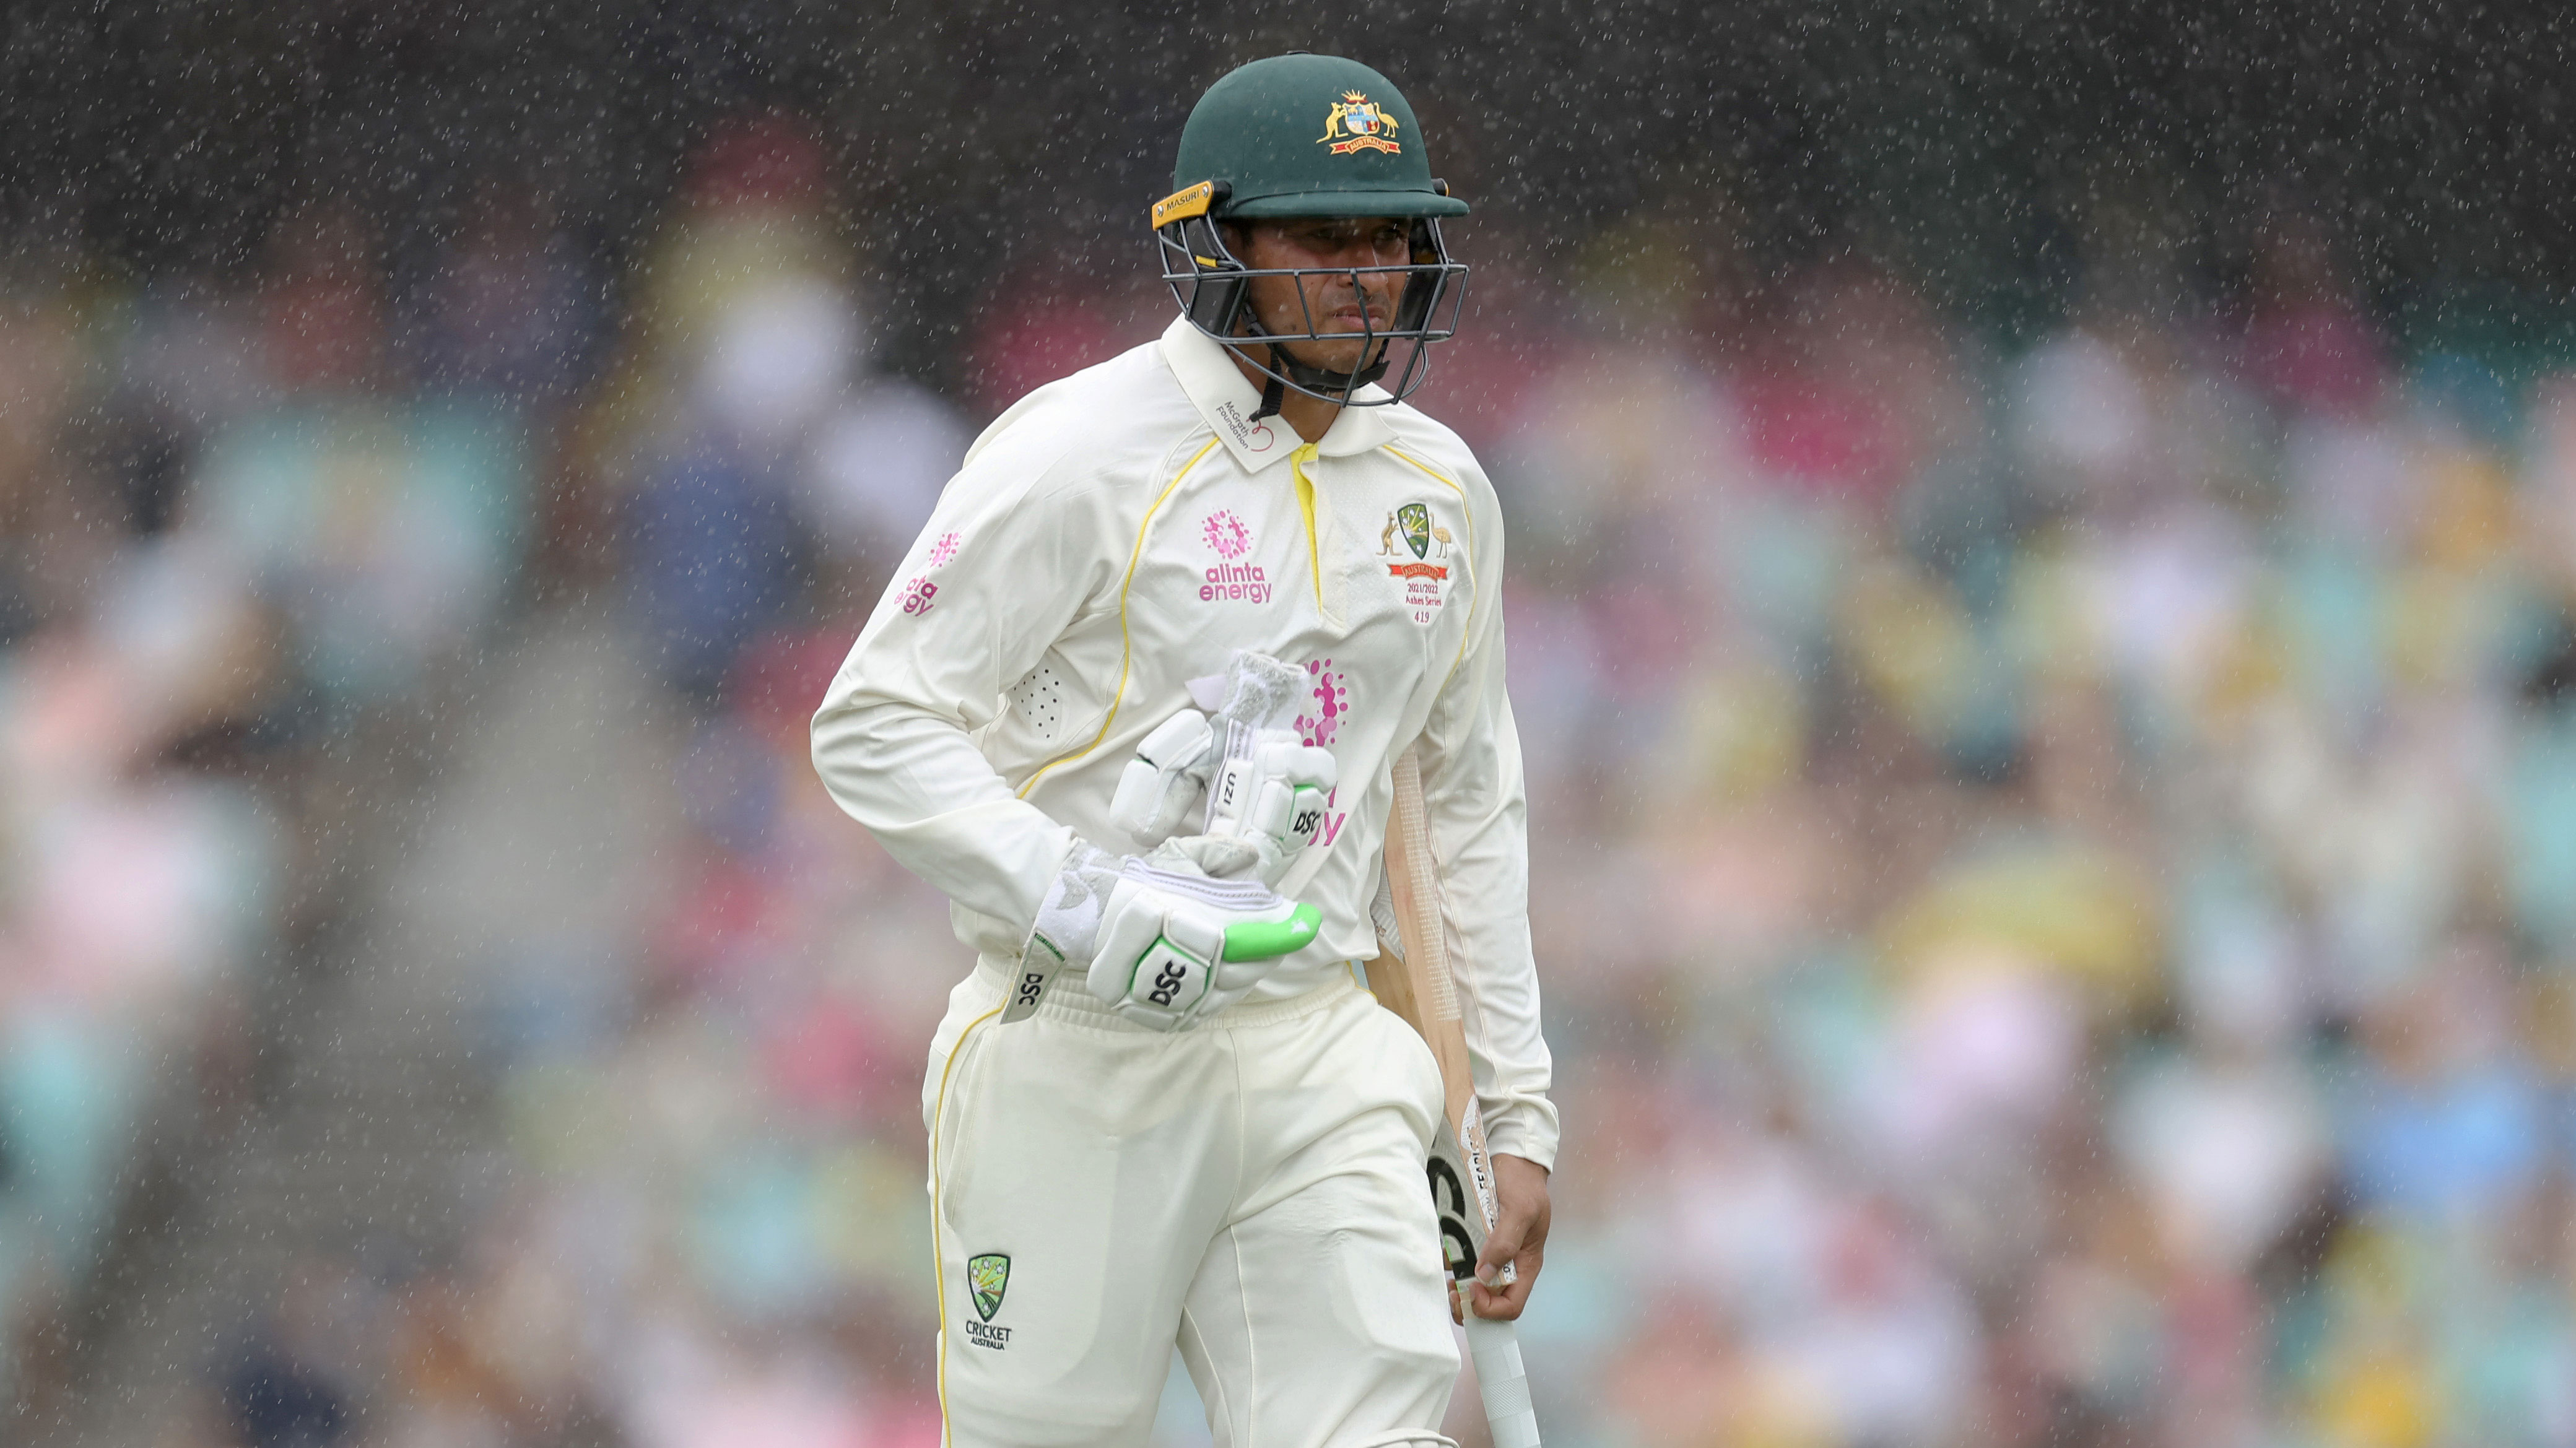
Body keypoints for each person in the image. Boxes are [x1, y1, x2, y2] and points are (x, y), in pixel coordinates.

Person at [811, 53, 1554, 1447]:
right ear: (1212, 247)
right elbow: (874, 723)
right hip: (1078, 1045)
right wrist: (1082, 897)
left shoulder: (1440, 490)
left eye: (1391, 237)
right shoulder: (1081, 453)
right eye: (1320, 238)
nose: (1365, 275)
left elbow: (1465, 813)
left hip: (1317, 1040)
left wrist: (1515, 1113)